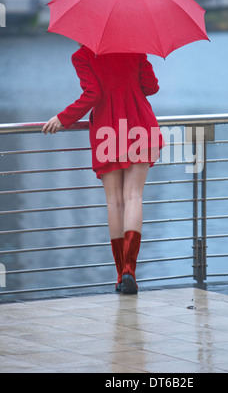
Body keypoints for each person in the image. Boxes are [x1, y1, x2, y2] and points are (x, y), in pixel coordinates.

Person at [42, 44, 164, 294]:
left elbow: (93, 94)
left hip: (108, 129)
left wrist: (62, 118)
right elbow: (151, 87)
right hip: (141, 125)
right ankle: (130, 270)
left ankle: (121, 275)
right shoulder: (135, 50)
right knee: (134, 197)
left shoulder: (82, 56)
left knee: (114, 203)